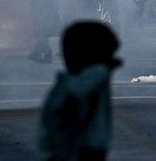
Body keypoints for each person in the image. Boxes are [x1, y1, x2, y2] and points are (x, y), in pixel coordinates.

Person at [38, 21, 123, 161]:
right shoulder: (70, 92)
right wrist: (104, 69)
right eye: (105, 56)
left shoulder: (77, 87)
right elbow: (81, 88)